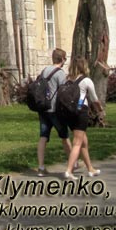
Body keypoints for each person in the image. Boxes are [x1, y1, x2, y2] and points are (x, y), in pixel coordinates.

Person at [60, 56, 104, 179]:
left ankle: (90, 168)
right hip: (80, 112)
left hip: (68, 113)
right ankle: (69, 170)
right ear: (84, 67)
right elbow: (94, 99)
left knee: (84, 141)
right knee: (77, 143)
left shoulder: (66, 79)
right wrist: (100, 110)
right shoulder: (86, 81)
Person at [36, 47, 72, 175]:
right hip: (55, 109)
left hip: (43, 109)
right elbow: (64, 91)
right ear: (62, 59)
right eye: (65, 58)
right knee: (64, 136)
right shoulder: (60, 73)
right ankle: (73, 162)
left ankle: (41, 167)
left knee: (43, 137)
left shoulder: (45, 70)